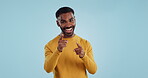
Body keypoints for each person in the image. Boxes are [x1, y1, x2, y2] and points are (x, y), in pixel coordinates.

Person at [44, 7, 97, 78]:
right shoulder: (50, 45)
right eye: (63, 21)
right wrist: (58, 51)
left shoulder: (85, 43)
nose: (68, 25)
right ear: (58, 23)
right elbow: (48, 69)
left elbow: (93, 70)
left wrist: (83, 56)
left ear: (75, 20)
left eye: (71, 20)